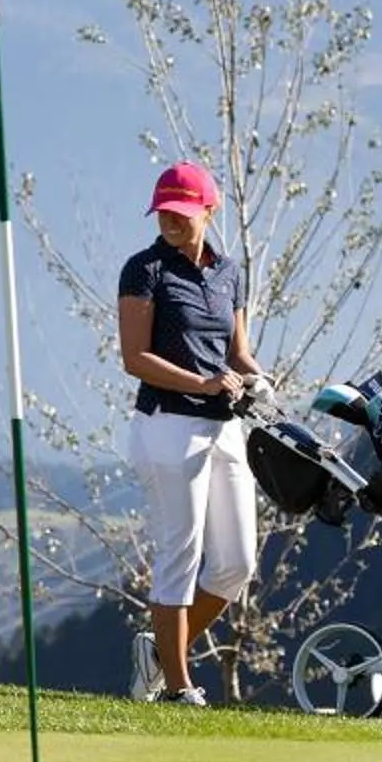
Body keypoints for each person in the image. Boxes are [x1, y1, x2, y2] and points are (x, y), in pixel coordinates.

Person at [115, 160, 262, 705]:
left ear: (208, 210)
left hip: (224, 429)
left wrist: (258, 380)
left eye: (181, 213)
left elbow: (237, 353)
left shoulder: (230, 273)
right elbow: (136, 358)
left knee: (235, 564)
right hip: (167, 426)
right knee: (180, 555)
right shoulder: (144, 270)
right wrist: (203, 383)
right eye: (163, 214)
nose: (170, 223)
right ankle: (178, 687)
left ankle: (155, 653)